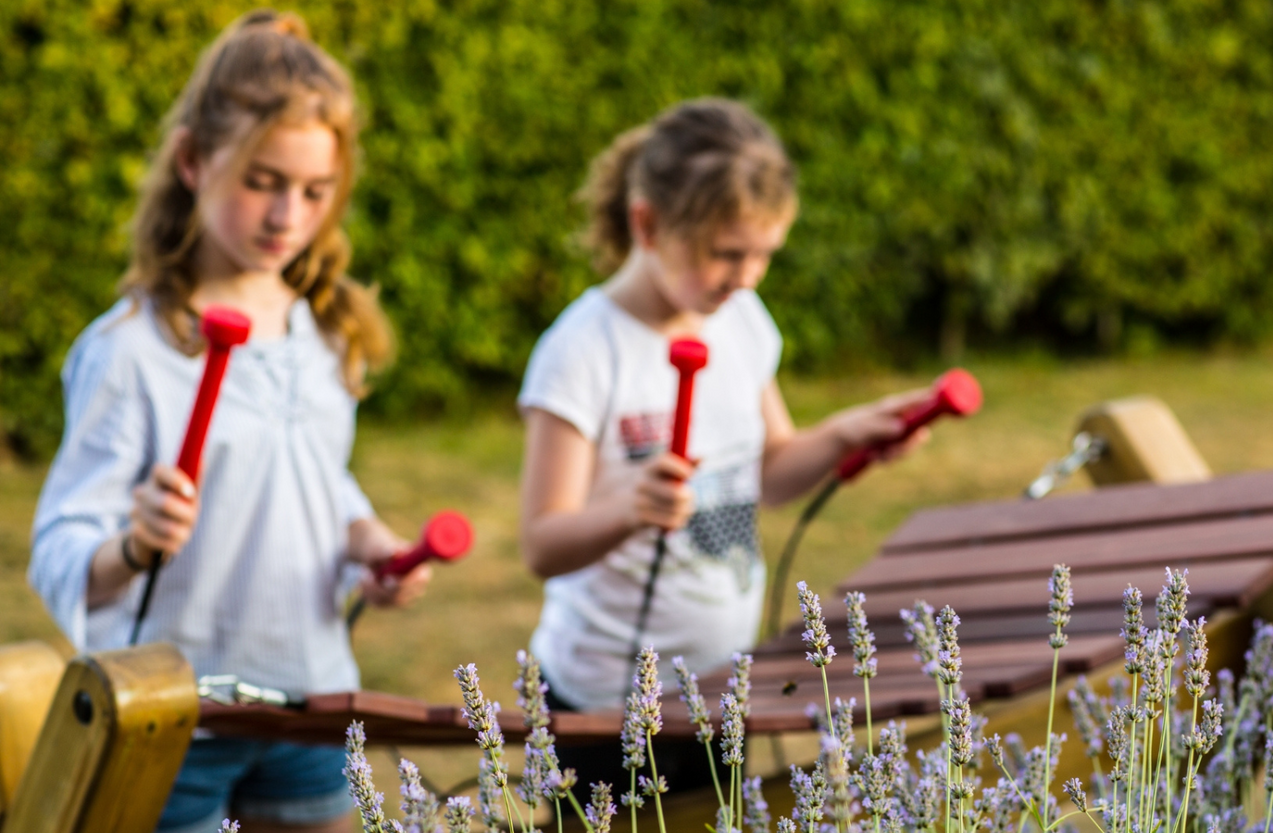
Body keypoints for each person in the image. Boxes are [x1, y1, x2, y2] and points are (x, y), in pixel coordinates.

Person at [28, 11, 428, 833]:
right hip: (177, 712)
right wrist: (133, 544)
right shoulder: (130, 352)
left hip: (311, 699)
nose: (288, 215)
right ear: (192, 161)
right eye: (262, 180)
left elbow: (315, 480)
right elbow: (61, 547)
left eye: (315, 192)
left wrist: (371, 545)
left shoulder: (323, 330)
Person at [517, 98, 930, 789]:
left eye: (764, 253)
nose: (747, 277)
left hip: (721, 684)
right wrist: (628, 511)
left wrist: (842, 435)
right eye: (726, 254)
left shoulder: (740, 320)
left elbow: (769, 473)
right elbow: (542, 543)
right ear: (647, 223)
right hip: (603, 702)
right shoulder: (582, 353)